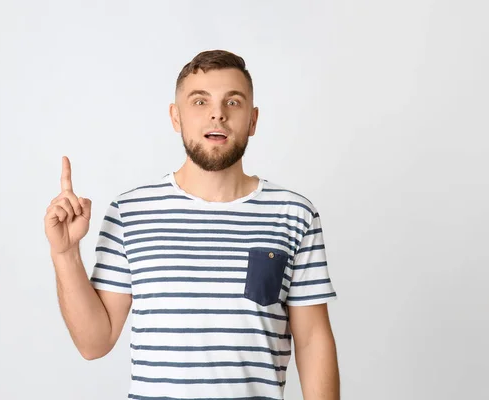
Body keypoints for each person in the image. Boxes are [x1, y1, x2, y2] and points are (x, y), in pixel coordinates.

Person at [44, 49, 340, 400]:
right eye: (200, 102)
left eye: (233, 102)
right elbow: (94, 343)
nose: (217, 113)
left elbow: (312, 341)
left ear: (253, 120)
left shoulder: (294, 214)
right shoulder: (130, 211)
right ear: (176, 116)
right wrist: (65, 253)